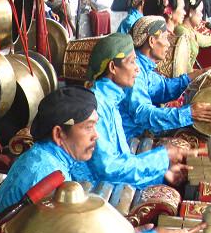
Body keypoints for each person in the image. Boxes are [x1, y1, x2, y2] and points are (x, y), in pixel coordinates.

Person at [0, 87, 188, 233]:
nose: (96, 135)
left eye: (95, 125)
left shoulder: (52, 158)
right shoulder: (44, 172)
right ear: (59, 134)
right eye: (88, 127)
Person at [71, 33, 190, 190]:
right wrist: (162, 157)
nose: (137, 69)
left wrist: (161, 173)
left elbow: (122, 161)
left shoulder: (112, 99)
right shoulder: (97, 106)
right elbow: (108, 169)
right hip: (90, 190)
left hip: (109, 181)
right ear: (113, 67)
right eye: (132, 62)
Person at [120, 16, 211, 141]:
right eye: (164, 38)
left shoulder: (144, 67)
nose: (168, 44)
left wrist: (201, 73)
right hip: (130, 138)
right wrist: (188, 113)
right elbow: (142, 114)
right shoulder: (135, 70)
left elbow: (164, 88)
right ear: (152, 41)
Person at [177, 0, 211, 69]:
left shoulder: (190, 31)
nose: (202, 15)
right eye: (200, 11)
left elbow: (204, 40)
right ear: (191, 11)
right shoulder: (182, 31)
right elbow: (183, 67)